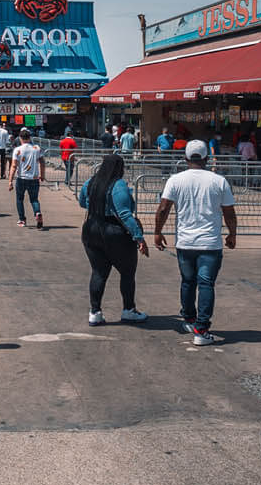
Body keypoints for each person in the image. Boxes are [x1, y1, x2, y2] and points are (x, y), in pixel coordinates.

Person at [152, 139, 237, 346]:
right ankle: (201, 328)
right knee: (206, 284)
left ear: (186, 158)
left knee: (188, 281)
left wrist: (157, 232)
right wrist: (232, 234)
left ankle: (189, 318)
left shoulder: (175, 180)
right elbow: (229, 212)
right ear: (207, 158)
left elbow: (163, 208)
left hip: (185, 242)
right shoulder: (219, 181)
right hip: (210, 243)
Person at [78, 153, 149, 327]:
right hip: (115, 232)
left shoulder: (90, 183)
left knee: (98, 272)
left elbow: (82, 202)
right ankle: (128, 310)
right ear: (119, 168)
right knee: (127, 272)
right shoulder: (118, 185)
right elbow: (124, 214)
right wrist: (139, 237)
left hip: (91, 229)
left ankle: (95, 312)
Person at [9, 127, 46, 229]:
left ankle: (22, 219)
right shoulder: (36, 148)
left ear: (20, 138)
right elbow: (42, 162)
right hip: (34, 178)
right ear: (30, 138)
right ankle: (37, 213)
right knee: (34, 199)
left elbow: (13, 166)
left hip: (21, 178)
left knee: (19, 199)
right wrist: (42, 175)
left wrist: (10, 181)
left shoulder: (17, 150)